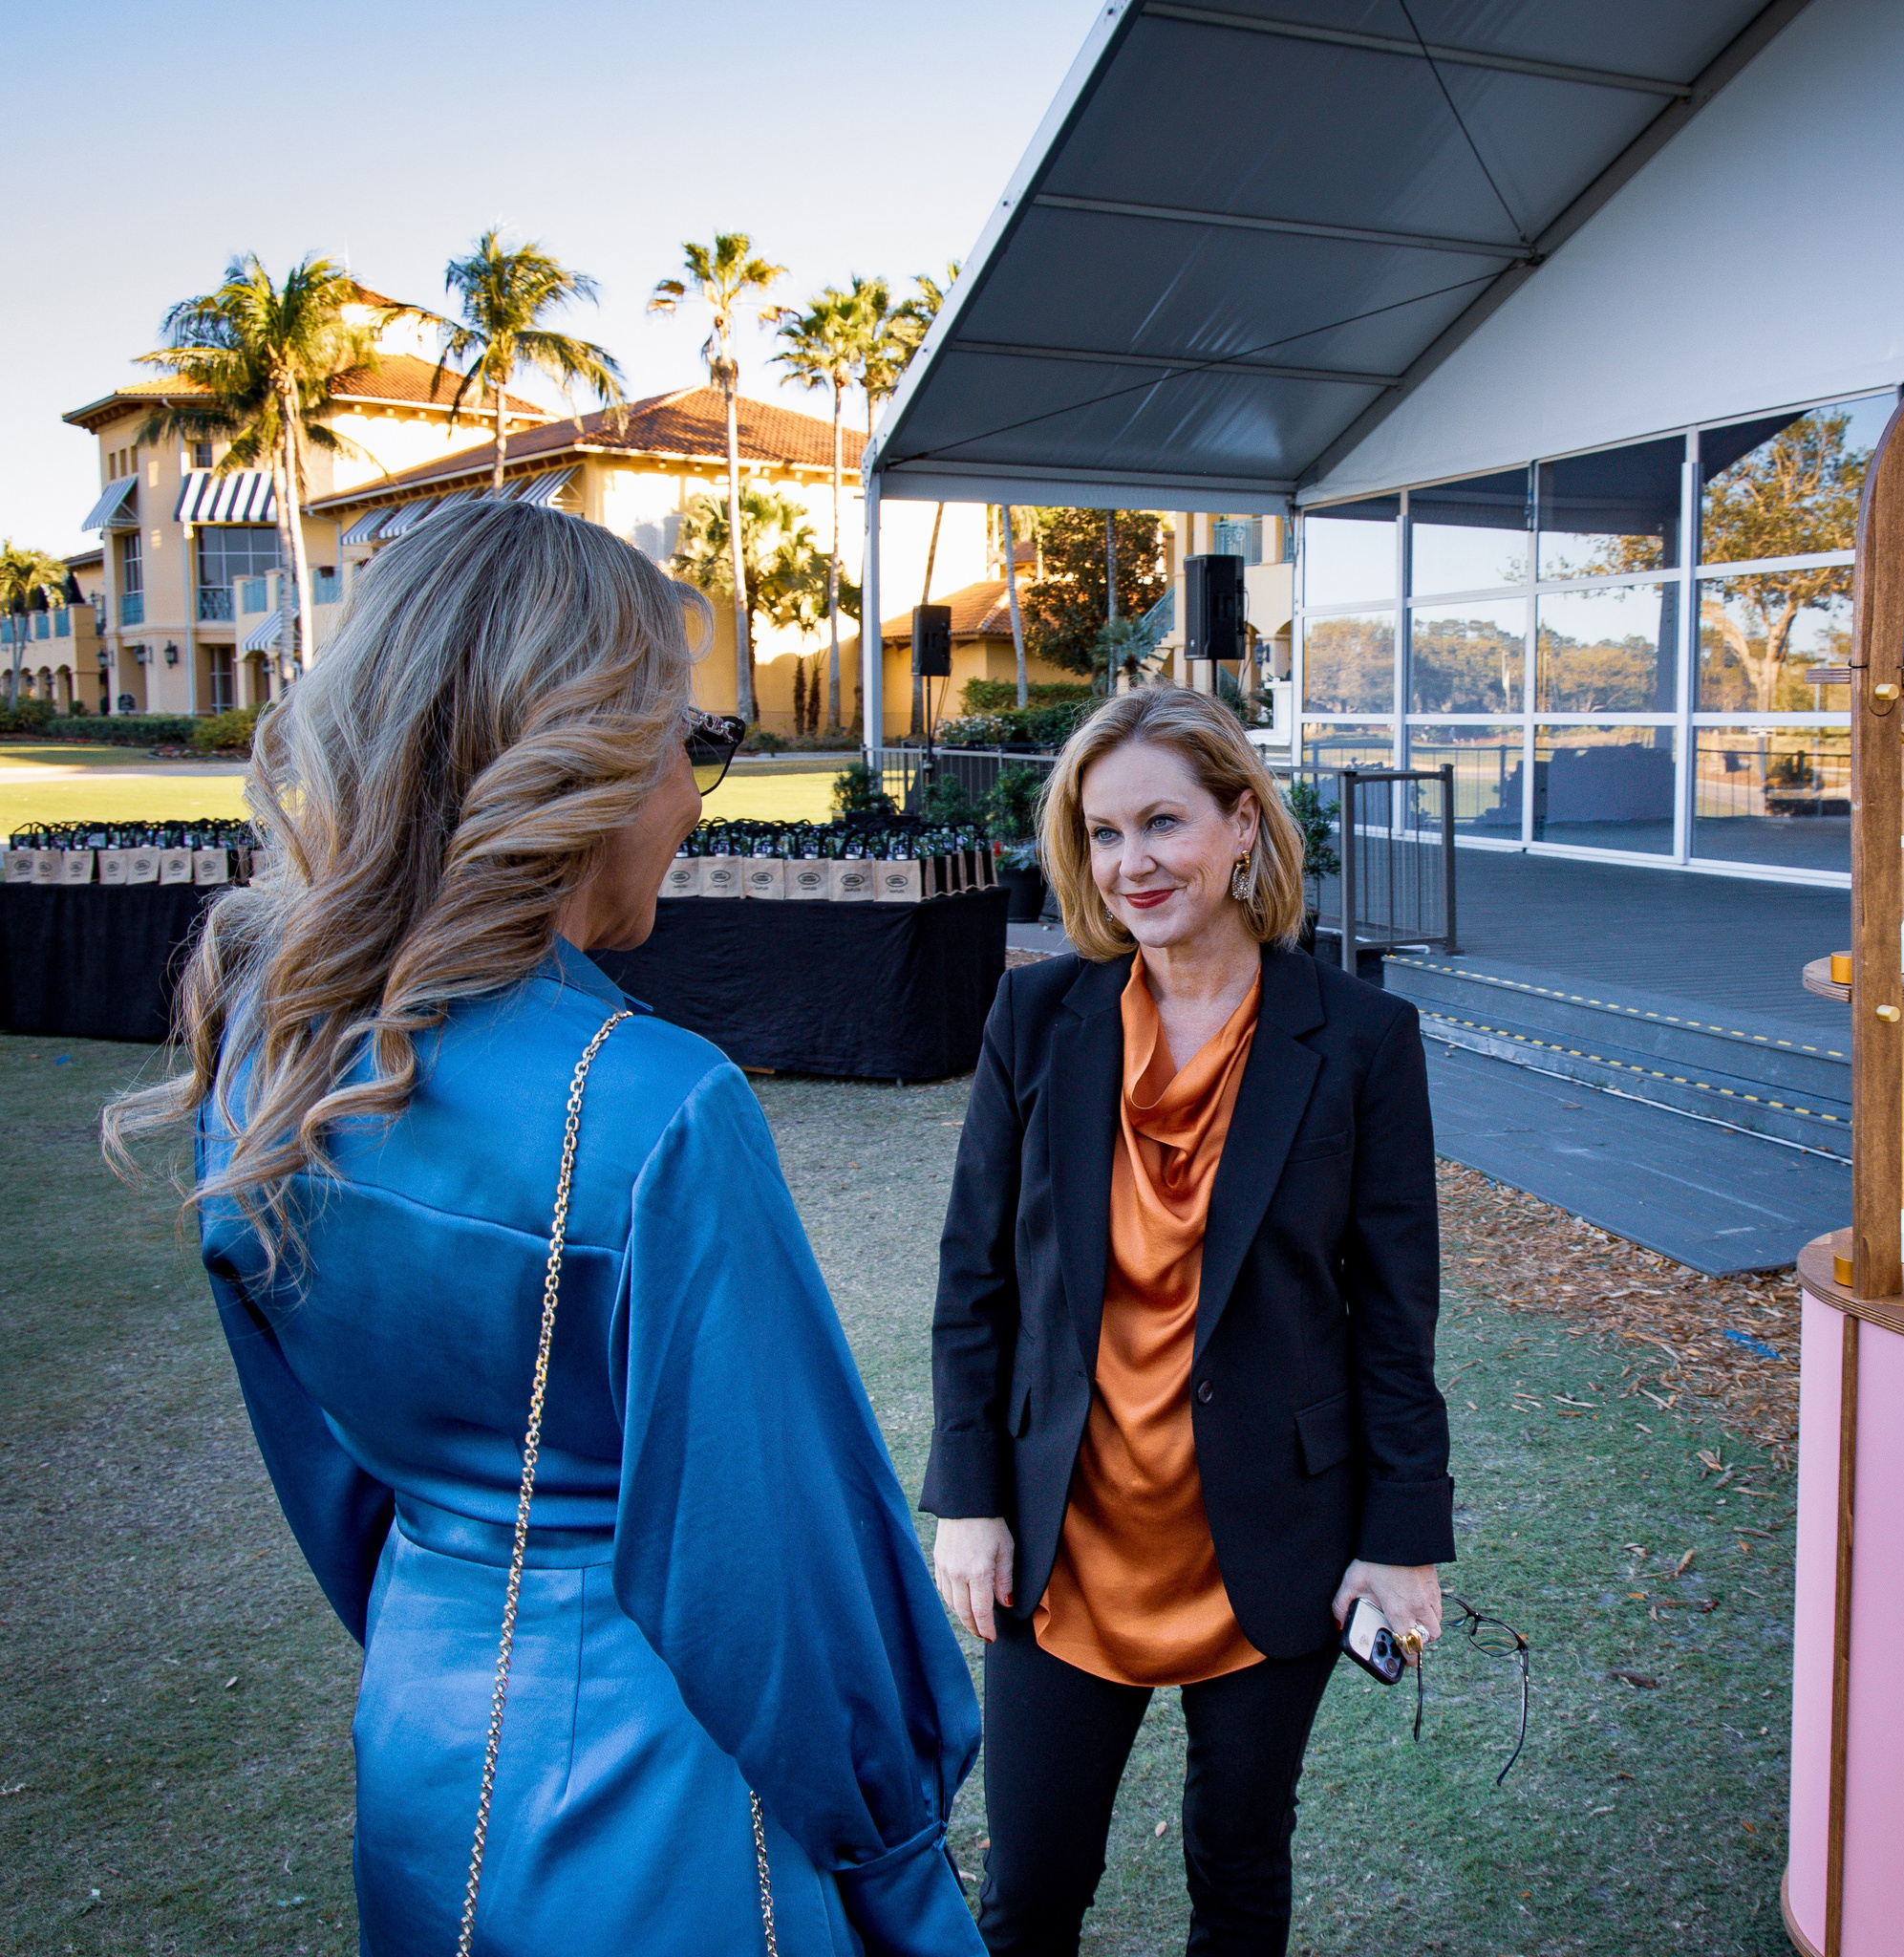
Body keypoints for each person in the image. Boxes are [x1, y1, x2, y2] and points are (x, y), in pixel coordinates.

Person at [102, 499, 983, 1957]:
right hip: (674, 1794)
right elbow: (783, 1583)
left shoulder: (269, 1052)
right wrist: (905, 1882)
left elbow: (333, 1486)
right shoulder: (655, 1108)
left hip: (425, 1738)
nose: (695, 799)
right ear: (580, 759)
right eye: (689, 741)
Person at [924, 687, 1453, 1956]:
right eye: (1104, 835)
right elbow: (974, 1281)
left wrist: (1401, 1538)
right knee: (1029, 1890)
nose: (1132, 865)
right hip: (1063, 1532)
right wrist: (970, 1499)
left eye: (1162, 822)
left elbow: (1394, 1317)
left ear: (1241, 825)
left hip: (1272, 1532)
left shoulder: (1362, 1038)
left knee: (1240, 1873)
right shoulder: (1035, 1021)